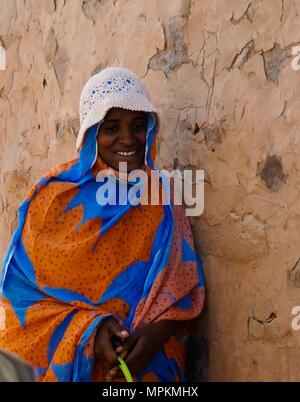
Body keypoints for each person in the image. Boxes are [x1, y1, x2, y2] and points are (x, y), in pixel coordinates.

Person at [0, 67, 205, 382]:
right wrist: (90, 334)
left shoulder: (160, 197)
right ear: (91, 132)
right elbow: (23, 299)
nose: (127, 139)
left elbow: (183, 288)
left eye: (138, 125)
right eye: (111, 127)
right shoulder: (54, 199)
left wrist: (153, 337)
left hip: (148, 367)